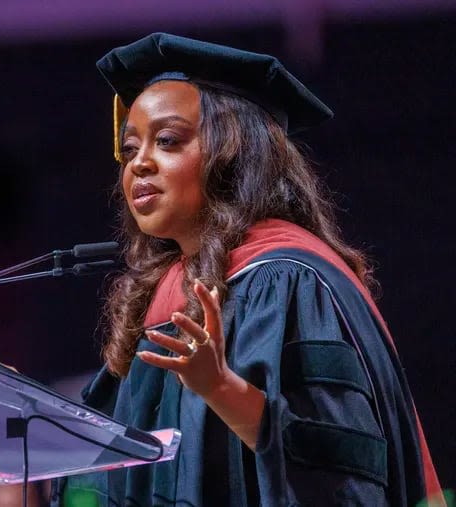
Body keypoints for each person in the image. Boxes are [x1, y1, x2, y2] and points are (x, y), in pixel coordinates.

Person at [48, 32, 445, 506]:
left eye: (168, 140)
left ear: (234, 153)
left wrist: (220, 387)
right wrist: (9, 411)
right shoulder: (162, 295)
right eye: (130, 149)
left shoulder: (287, 278)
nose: (140, 164)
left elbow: (337, 465)